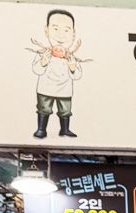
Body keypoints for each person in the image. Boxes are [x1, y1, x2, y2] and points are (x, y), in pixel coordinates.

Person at [30, 9, 83, 139]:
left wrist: (72, 68)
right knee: (44, 108)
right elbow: (36, 69)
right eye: (56, 29)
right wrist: (43, 62)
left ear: (73, 34)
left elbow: (77, 75)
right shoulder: (44, 53)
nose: (61, 35)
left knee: (65, 110)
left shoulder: (71, 56)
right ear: (47, 31)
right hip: (45, 88)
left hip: (65, 89)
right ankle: (41, 129)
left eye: (66, 30)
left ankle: (64, 129)